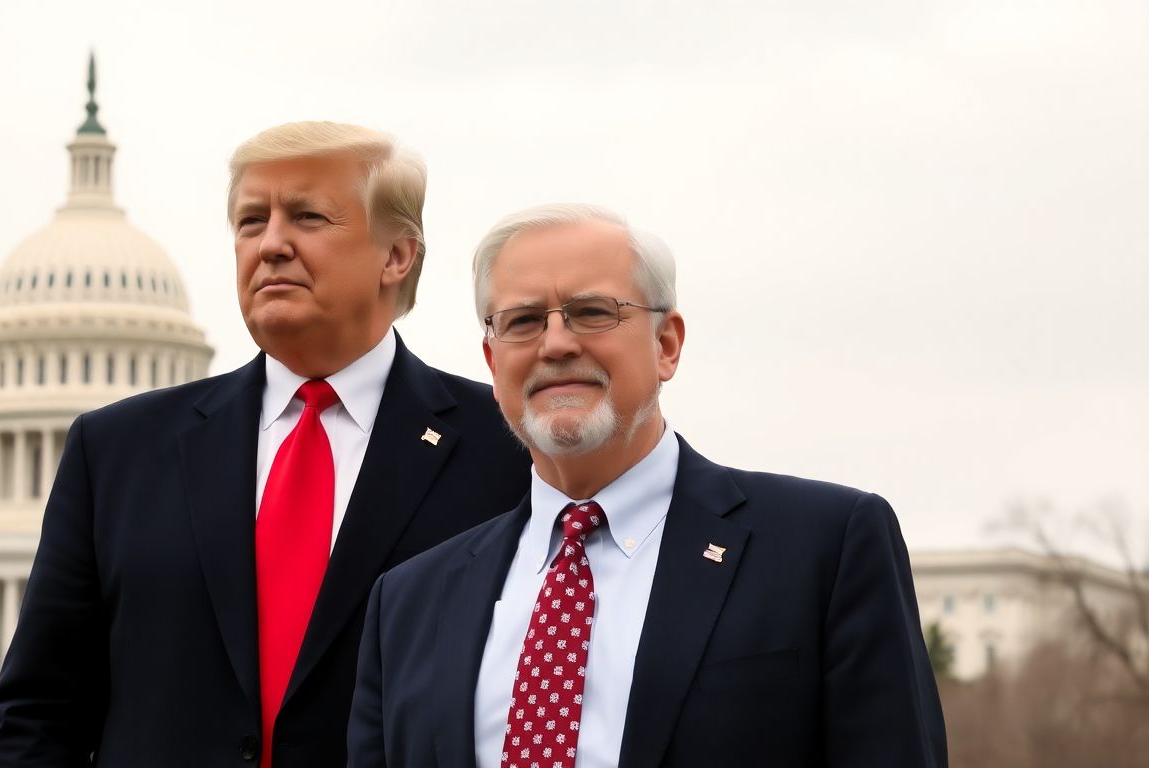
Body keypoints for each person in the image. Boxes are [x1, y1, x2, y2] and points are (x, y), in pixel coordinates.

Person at [0, 122, 530, 767]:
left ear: (396, 256)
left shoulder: (510, 450)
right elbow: (40, 711)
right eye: (250, 222)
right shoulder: (113, 453)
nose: (271, 244)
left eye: (307, 217)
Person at [347, 203, 948, 767]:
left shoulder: (825, 548)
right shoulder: (407, 602)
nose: (556, 343)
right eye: (523, 322)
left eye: (592, 312)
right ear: (491, 360)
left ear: (666, 344)